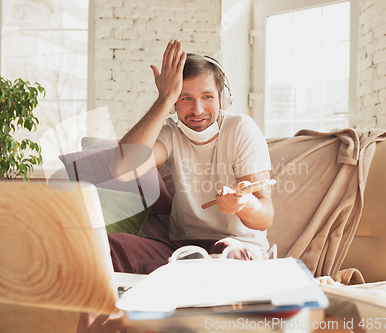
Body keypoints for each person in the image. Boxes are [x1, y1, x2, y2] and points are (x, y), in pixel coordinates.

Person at [107, 39, 274, 274]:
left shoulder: (240, 128)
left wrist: (243, 203)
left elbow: (265, 217)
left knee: (228, 252)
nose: (197, 110)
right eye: (185, 98)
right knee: (111, 246)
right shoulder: (170, 134)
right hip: (182, 250)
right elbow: (121, 170)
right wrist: (163, 99)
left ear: (222, 98)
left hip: (237, 245)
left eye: (207, 96)